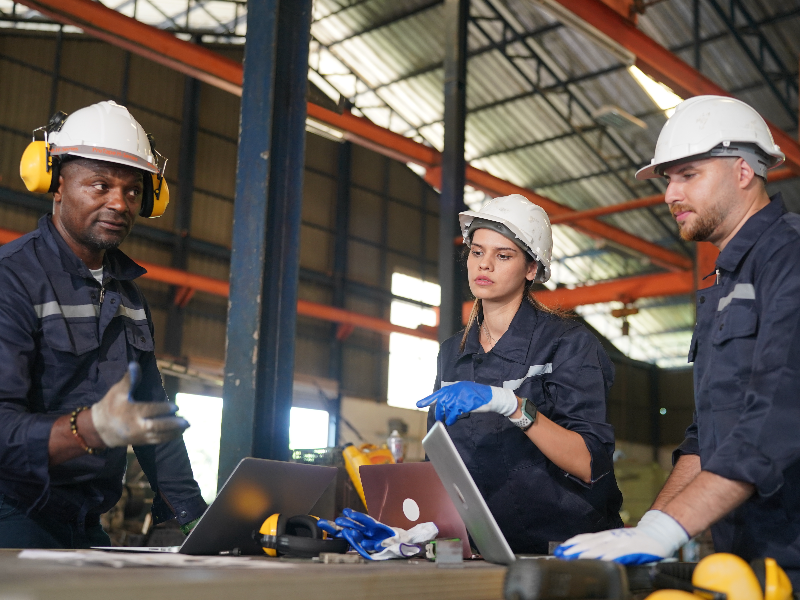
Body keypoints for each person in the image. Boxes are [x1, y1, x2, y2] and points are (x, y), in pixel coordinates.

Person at [556, 95, 800, 585]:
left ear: (742, 171)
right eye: (669, 179)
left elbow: (780, 413)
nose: (670, 194)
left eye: (688, 174)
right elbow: (707, 436)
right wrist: (649, 529)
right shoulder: (723, 285)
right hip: (746, 560)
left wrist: (670, 527)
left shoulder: (790, 256)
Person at [0, 100, 207, 548]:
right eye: (100, 184)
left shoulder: (128, 295)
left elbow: (153, 415)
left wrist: (192, 517)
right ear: (56, 183)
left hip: (85, 520)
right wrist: (88, 429)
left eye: (133, 191)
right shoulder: (12, 280)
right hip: (13, 514)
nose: (119, 203)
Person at [416, 195, 623, 554]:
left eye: (504, 255)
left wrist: (512, 407)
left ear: (531, 269)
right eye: (477, 252)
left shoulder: (568, 344)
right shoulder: (452, 352)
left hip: (562, 554)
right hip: (483, 550)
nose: (486, 265)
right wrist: (412, 528)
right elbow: (440, 460)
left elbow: (590, 463)